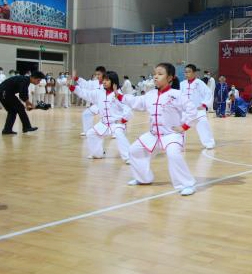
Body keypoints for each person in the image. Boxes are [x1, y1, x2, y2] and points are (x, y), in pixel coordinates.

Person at [120, 63, 198, 196]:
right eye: (155, 74)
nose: (156, 77)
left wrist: (184, 126)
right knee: (134, 150)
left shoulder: (177, 94)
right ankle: (143, 178)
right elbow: (136, 102)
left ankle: (187, 184)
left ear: (170, 78)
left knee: (173, 154)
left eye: (160, 74)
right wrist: (120, 96)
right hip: (153, 135)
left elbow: (192, 110)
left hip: (171, 134)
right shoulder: (150, 95)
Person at [71, 71, 131, 162]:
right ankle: (97, 154)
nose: (104, 82)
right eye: (103, 80)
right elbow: (86, 93)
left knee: (119, 133)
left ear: (113, 82)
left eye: (107, 80)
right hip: (103, 123)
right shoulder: (99, 92)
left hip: (116, 124)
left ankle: (128, 157)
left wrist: (123, 120)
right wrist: (71, 87)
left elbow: (128, 109)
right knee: (91, 133)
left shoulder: (119, 95)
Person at [182, 64, 216, 149]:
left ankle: (209, 143)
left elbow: (208, 93)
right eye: (185, 72)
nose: (186, 74)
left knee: (203, 124)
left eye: (189, 72)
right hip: (185, 111)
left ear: (194, 73)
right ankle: (179, 144)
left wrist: (204, 104)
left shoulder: (199, 83)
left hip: (198, 110)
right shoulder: (182, 84)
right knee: (180, 126)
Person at [78, 66, 107, 136]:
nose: (97, 76)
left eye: (99, 74)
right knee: (86, 114)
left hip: (107, 105)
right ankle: (87, 131)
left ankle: (114, 132)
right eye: (96, 74)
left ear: (103, 74)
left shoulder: (108, 82)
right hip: (97, 105)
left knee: (109, 118)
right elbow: (86, 84)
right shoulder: (95, 82)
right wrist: (76, 78)